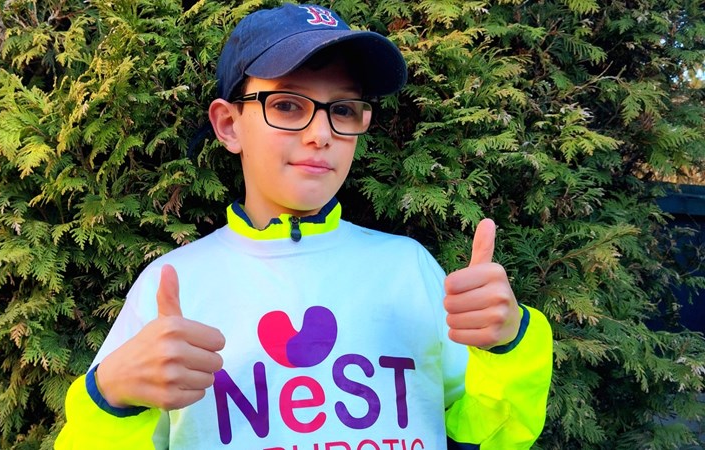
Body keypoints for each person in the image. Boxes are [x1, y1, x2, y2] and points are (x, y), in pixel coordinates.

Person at [55, 4, 553, 449]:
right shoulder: (174, 286)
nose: (321, 134)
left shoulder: (408, 267)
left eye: (343, 110)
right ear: (229, 125)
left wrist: (508, 347)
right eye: (288, 105)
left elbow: (486, 437)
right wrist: (111, 396)